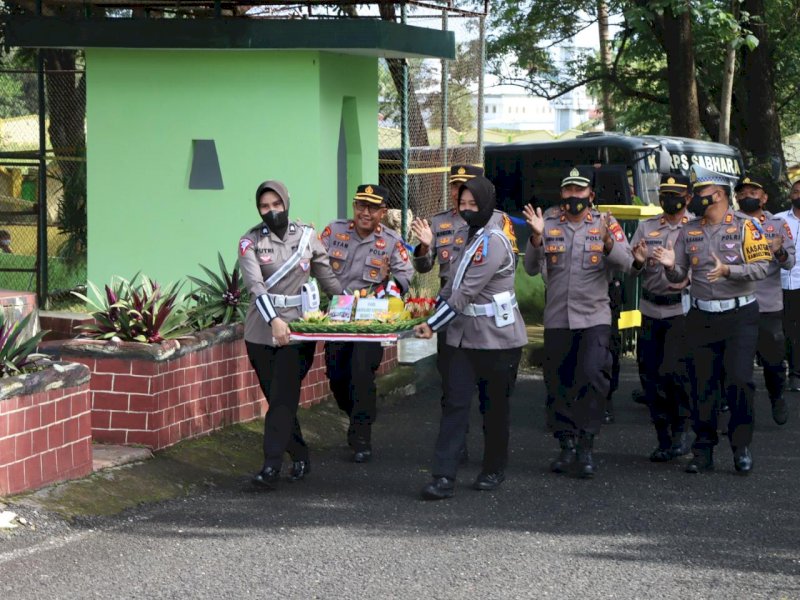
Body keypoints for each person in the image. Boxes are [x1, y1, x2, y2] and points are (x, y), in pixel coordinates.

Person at [653, 164, 771, 475]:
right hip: (701, 314)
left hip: (740, 315)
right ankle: (702, 449)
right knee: (699, 383)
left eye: (700, 193)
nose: (693, 199)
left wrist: (729, 270)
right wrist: (669, 266)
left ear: (717, 195)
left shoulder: (746, 226)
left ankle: (740, 445)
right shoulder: (689, 231)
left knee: (739, 380)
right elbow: (680, 274)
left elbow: (762, 268)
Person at [414, 175, 526, 500]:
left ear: (487, 203)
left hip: (498, 339)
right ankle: (443, 476)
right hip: (463, 336)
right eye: (462, 204)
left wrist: (433, 324)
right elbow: (451, 285)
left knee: (494, 408)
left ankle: (493, 468)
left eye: (473, 204)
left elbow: (467, 291)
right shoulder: (467, 235)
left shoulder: (493, 239)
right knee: (455, 404)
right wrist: (432, 314)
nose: (466, 210)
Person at [523, 166, 633, 478]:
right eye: (569, 190)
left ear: (591, 195)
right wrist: (536, 236)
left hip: (594, 316)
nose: (574, 196)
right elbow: (531, 269)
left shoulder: (605, 222)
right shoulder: (549, 222)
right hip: (558, 317)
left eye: (580, 191)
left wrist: (608, 243)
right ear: (562, 193)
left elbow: (628, 264)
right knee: (559, 382)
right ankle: (566, 444)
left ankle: (587, 445)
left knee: (592, 375)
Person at [239, 180, 343, 488]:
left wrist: (356, 306)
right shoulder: (250, 241)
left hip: (299, 330)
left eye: (276, 205)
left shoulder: (308, 237)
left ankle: (271, 466)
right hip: (261, 330)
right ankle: (299, 454)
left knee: (284, 396)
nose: (271, 211)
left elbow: (329, 280)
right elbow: (255, 286)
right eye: (264, 207)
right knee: (278, 397)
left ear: (287, 202)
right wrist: (274, 321)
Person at [320, 184, 413, 463]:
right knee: (336, 375)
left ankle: (361, 435)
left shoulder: (393, 242)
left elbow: (405, 279)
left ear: (383, 212)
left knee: (361, 372)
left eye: (373, 207)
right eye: (361, 205)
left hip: (371, 322)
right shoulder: (333, 232)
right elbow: (313, 261)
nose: (365, 212)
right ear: (354, 207)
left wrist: (388, 283)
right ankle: (358, 415)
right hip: (337, 319)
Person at [629, 174, 693, 462]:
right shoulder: (647, 226)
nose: (669, 199)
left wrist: (674, 266)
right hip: (650, 310)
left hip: (680, 311)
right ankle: (663, 437)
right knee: (651, 376)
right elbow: (631, 269)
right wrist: (639, 262)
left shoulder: (695, 228)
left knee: (675, 374)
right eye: (665, 193)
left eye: (676, 194)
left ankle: (681, 432)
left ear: (688, 198)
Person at [735, 175, 795, 424]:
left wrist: (779, 250)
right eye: (743, 192)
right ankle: (736, 413)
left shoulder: (778, 225)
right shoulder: (727, 223)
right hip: (736, 303)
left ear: (764, 197)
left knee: (772, 362)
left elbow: (789, 262)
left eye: (753, 191)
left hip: (767, 305)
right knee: (736, 365)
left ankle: (777, 396)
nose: (747, 196)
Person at [775, 177, 800, 392]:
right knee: (783, 330)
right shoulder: (779, 220)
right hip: (779, 284)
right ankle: (782, 371)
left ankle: (796, 373)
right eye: (796, 191)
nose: (799, 195)